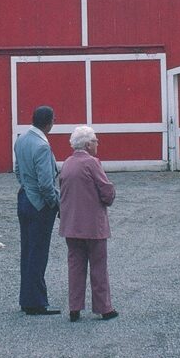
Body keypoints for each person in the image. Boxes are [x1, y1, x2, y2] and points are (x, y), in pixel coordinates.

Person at [58, 126, 118, 322]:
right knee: (98, 266)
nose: (97, 143)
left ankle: (75, 307)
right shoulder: (92, 163)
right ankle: (104, 308)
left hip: (71, 225)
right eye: (95, 140)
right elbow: (106, 190)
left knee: (75, 265)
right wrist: (110, 198)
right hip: (93, 224)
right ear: (87, 144)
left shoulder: (67, 163)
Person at [14, 105, 61, 315]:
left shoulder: (21, 139)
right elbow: (46, 184)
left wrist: (26, 186)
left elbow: (17, 170)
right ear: (49, 122)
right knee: (38, 253)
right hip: (39, 204)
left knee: (28, 251)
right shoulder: (42, 146)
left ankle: (27, 299)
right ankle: (36, 302)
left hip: (24, 198)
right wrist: (54, 203)